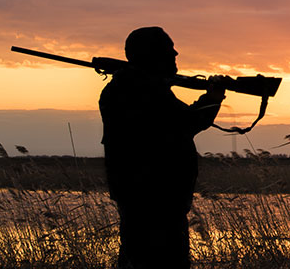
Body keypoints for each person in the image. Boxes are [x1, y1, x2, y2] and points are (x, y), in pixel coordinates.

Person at [99, 27, 231, 268]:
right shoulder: (141, 91)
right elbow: (185, 123)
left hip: (149, 197)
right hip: (154, 198)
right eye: (169, 50)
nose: (176, 54)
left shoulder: (133, 88)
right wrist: (212, 99)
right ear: (153, 55)